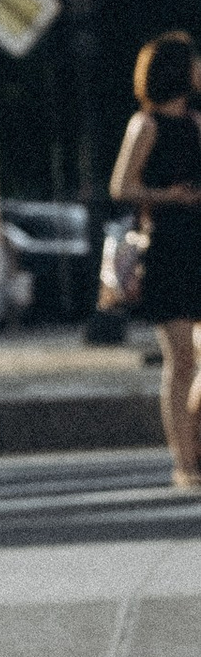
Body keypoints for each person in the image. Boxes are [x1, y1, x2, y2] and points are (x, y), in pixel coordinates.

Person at [109, 30, 201, 486]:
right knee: (181, 357)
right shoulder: (145, 125)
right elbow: (121, 186)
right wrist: (167, 196)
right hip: (168, 245)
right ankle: (184, 462)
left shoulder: (198, 122)